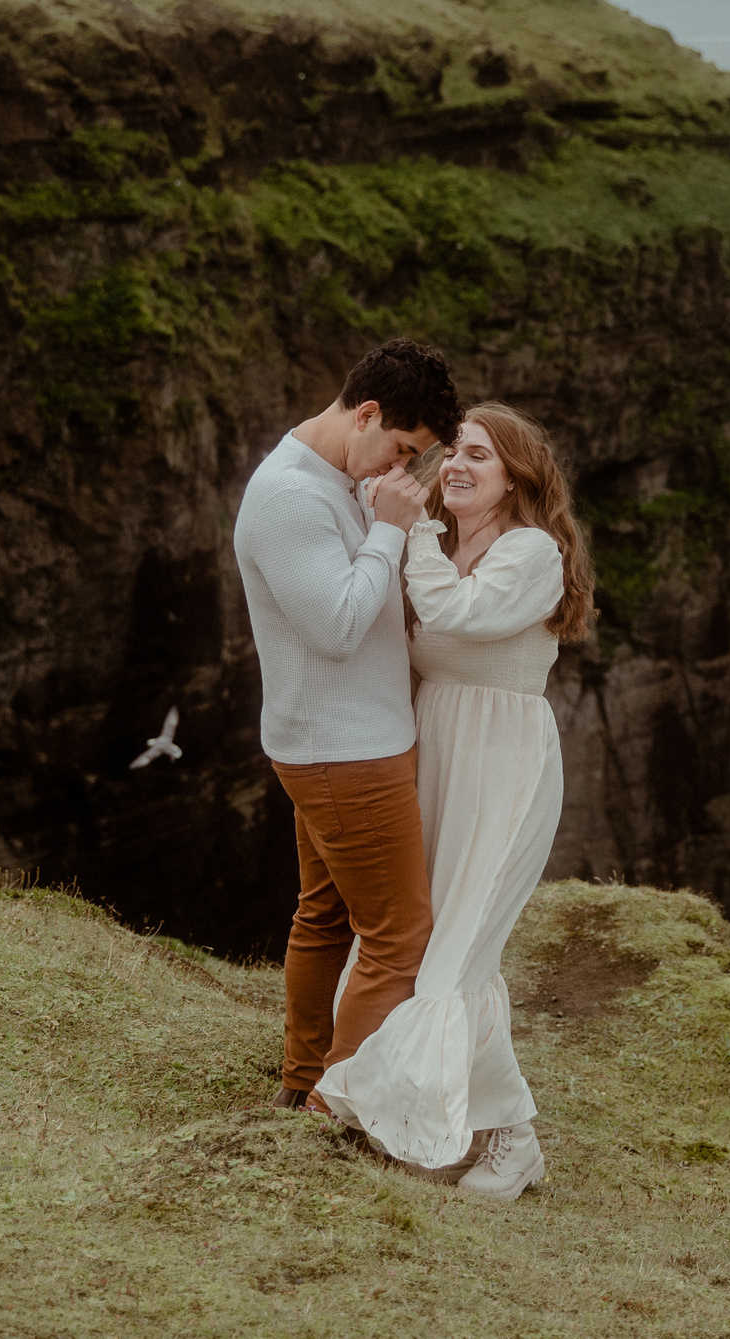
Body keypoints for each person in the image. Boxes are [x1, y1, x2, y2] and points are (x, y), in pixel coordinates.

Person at [313, 401, 597, 1201]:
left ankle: (512, 1140)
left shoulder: (531, 550)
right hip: (433, 750)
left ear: (517, 475)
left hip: (502, 764)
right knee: (425, 940)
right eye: (454, 453)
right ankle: (476, 1125)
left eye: (480, 454)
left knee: (459, 952)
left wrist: (413, 531)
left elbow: (454, 613)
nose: (458, 466)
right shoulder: (441, 541)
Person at [232, 338, 463, 1120]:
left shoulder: (335, 479)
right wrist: (391, 529)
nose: (402, 470)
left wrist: (383, 519)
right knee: (401, 934)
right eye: (401, 448)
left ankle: (303, 1082)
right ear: (365, 414)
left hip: (345, 742)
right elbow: (335, 623)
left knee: (326, 915)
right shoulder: (290, 496)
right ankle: (338, 1109)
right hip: (344, 753)